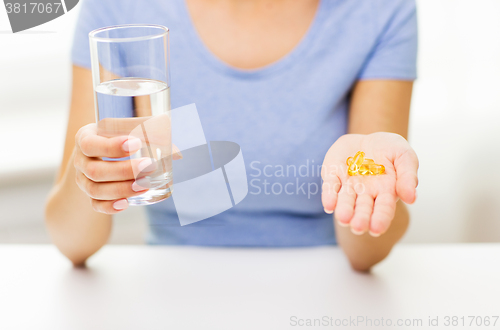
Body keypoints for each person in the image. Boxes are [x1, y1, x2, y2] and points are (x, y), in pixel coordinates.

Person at [45, 0, 419, 271]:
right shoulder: (118, 9)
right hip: (172, 286)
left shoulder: (381, 10)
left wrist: (363, 186)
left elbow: (367, 254)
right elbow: (72, 242)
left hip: (323, 282)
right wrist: (91, 176)